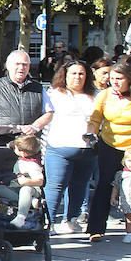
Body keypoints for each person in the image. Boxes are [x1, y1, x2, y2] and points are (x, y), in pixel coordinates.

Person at [86, 62, 131, 244]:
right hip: (110, 145)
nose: (115, 82)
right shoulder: (104, 95)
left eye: (119, 79)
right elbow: (95, 119)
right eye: (112, 79)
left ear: (129, 79)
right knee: (105, 184)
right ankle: (96, 229)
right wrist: (90, 133)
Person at [44, 61, 97, 233]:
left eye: (81, 73)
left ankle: (71, 219)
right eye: (73, 73)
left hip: (88, 150)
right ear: (65, 75)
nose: (77, 77)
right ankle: (48, 222)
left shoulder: (96, 94)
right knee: (55, 186)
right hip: (59, 147)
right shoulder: (54, 94)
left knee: (80, 186)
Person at [0, 50, 53, 136]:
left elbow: (49, 112)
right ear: (8, 66)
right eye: (17, 64)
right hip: (2, 141)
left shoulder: (39, 88)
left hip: (29, 142)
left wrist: (35, 127)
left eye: (25, 64)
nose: (21, 68)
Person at [0, 134, 45, 229]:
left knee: (25, 190)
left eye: (15, 148)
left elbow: (40, 181)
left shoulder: (33, 165)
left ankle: (21, 216)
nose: (14, 150)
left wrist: (26, 182)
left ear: (23, 153)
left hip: (32, 190)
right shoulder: (22, 158)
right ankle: (29, 202)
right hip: (16, 188)